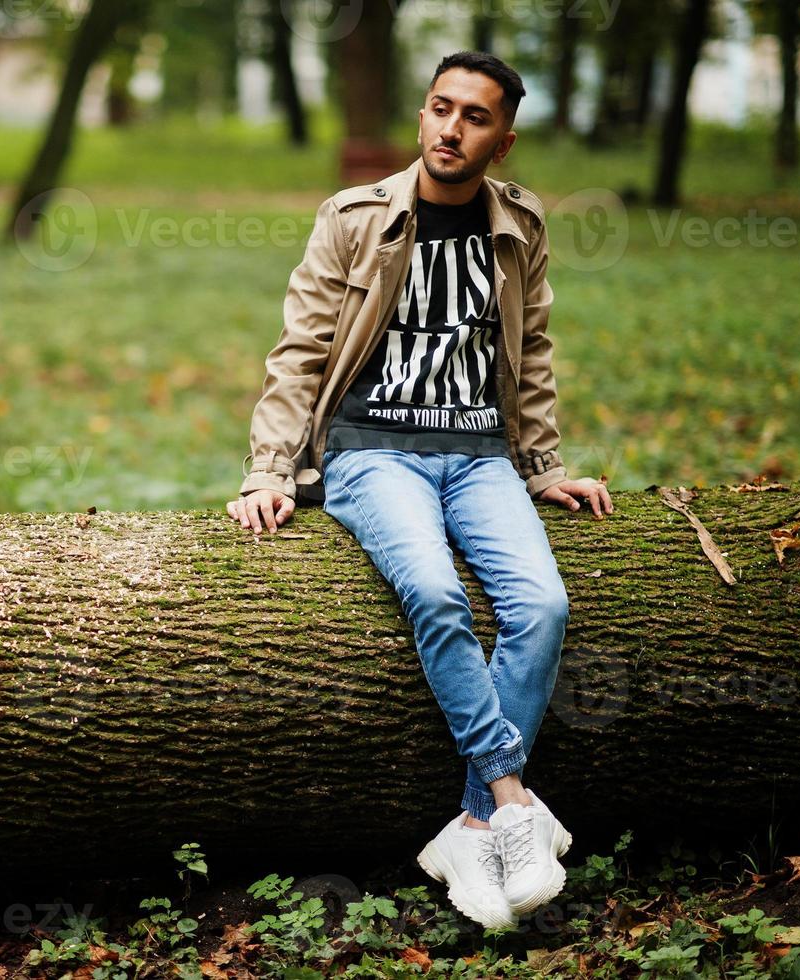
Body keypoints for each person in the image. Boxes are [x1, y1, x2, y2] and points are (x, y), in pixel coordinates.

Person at [225, 51, 615, 930]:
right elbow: (300, 351)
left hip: (479, 455)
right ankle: (512, 804)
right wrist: (268, 468)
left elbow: (533, 349)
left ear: (501, 140)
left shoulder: (518, 223)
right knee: (434, 593)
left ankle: (472, 825)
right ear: (421, 114)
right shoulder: (354, 217)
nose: (450, 128)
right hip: (371, 452)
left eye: (474, 117)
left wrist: (544, 467)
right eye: (440, 108)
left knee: (542, 607)